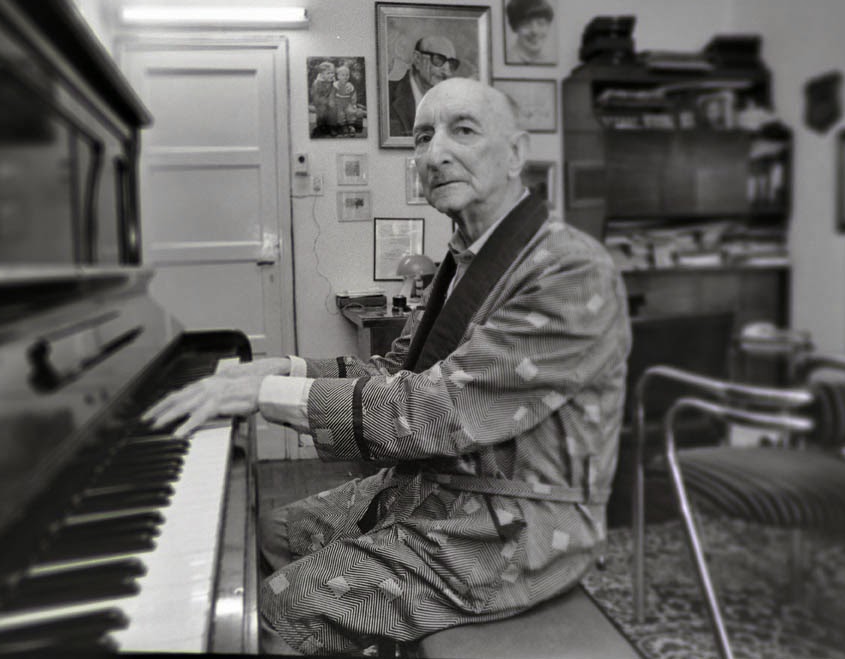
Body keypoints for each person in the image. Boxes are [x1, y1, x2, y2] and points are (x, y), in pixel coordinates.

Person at [144, 78, 632, 655]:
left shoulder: (571, 271)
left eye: (463, 131)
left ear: (516, 154)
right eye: (422, 137)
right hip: (436, 490)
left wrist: (265, 394)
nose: (436, 153)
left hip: (514, 528)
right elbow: (393, 372)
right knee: (264, 536)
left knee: (270, 615)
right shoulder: (463, 259)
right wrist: (283, 367)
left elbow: (439, 411)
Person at [387, 35, 459, 137]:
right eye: (438, 59)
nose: (446, 71)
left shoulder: (454, 104)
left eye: (451, 64)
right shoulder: (386, 95)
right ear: (417, 59)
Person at [505, 0, 555, 64]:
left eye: (541, 23)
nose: (535, 31)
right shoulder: (509, 59)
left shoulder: (549, 59)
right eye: (526, 24)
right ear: (515, 27)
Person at [332, 64, 358, 135]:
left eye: (347, 75)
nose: (345, 77)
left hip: (347, 102)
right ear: (338, 76)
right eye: (343, 75)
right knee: (340, 113)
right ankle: (343, 126)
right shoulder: (336, 84)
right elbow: (332, 94)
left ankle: (351, 125)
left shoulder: (350, 85)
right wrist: (332, 101)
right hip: (338, 102)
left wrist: (354, 103)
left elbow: (353, 94)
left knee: (350, 111)